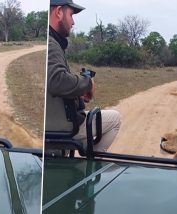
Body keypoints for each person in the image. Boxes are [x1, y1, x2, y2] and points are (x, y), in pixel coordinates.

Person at [46, 0, 121, 152]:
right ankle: (92, 164)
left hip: (57, 119)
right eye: (71, 15)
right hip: (63, 126)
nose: (73, 22)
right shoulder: (51, 43)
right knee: (115, 119)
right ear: (59, 12)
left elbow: (52, 84)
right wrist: (88, 83)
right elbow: (57, 80)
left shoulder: (53, 42)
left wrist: (77, 94)